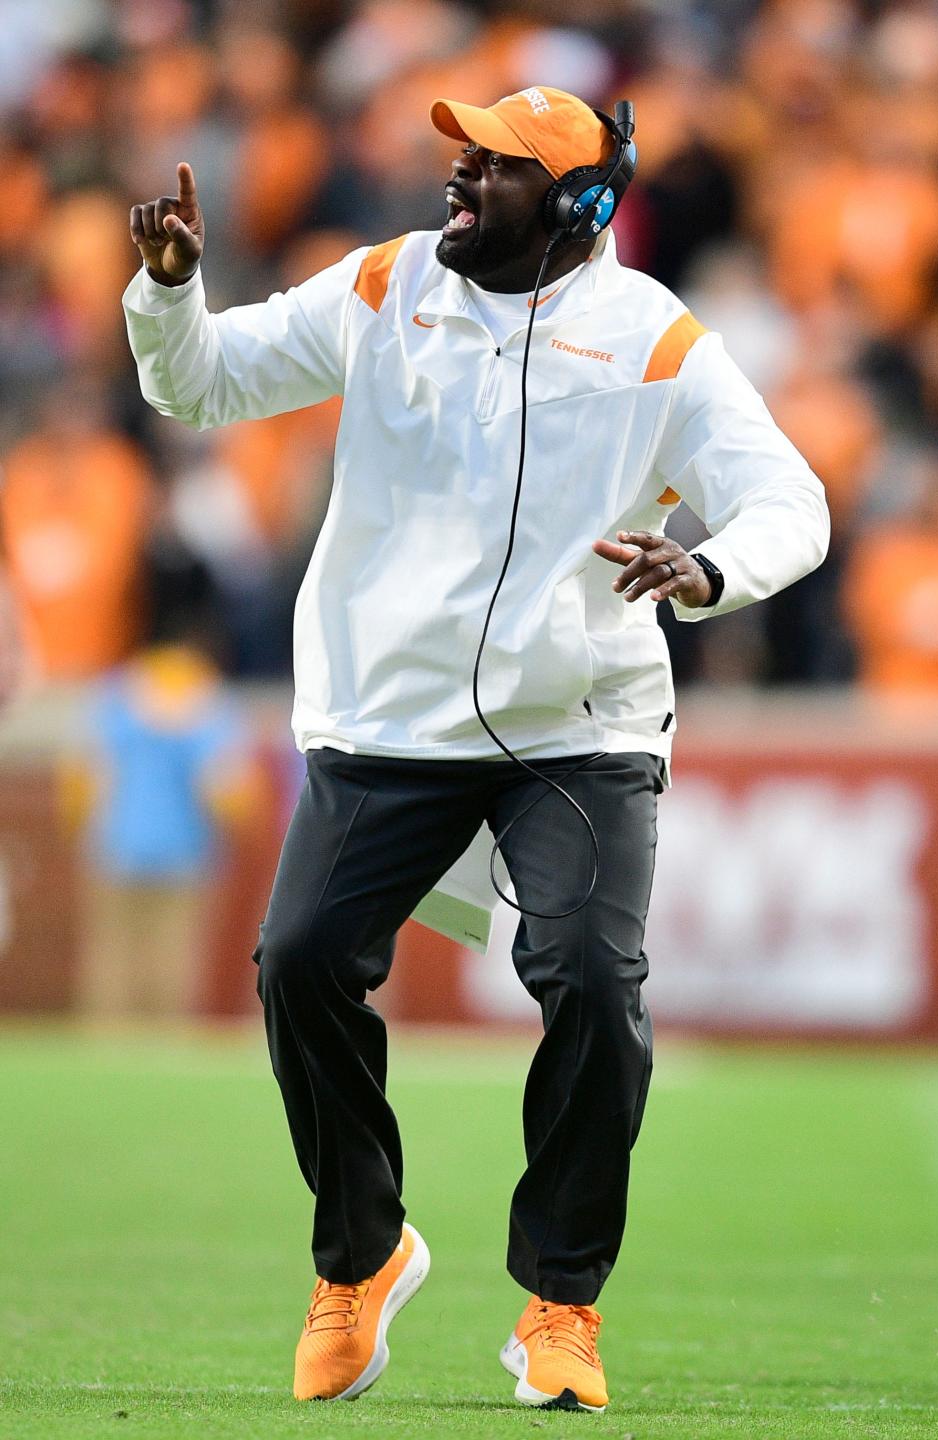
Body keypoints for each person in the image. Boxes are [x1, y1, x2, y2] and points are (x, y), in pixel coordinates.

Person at [123, 86, 829, 1413]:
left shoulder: (656, 340)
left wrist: (708, 565)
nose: (461, 177)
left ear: (583, 207)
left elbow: (796, 500)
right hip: (390, 718)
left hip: (582, 721)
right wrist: (170, 291)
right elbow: (202, 384)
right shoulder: (385, 285)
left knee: (588, 975)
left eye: (499, 168)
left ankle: (562, 1303)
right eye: (465, 153)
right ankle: (363, 1255)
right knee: (300, 966)